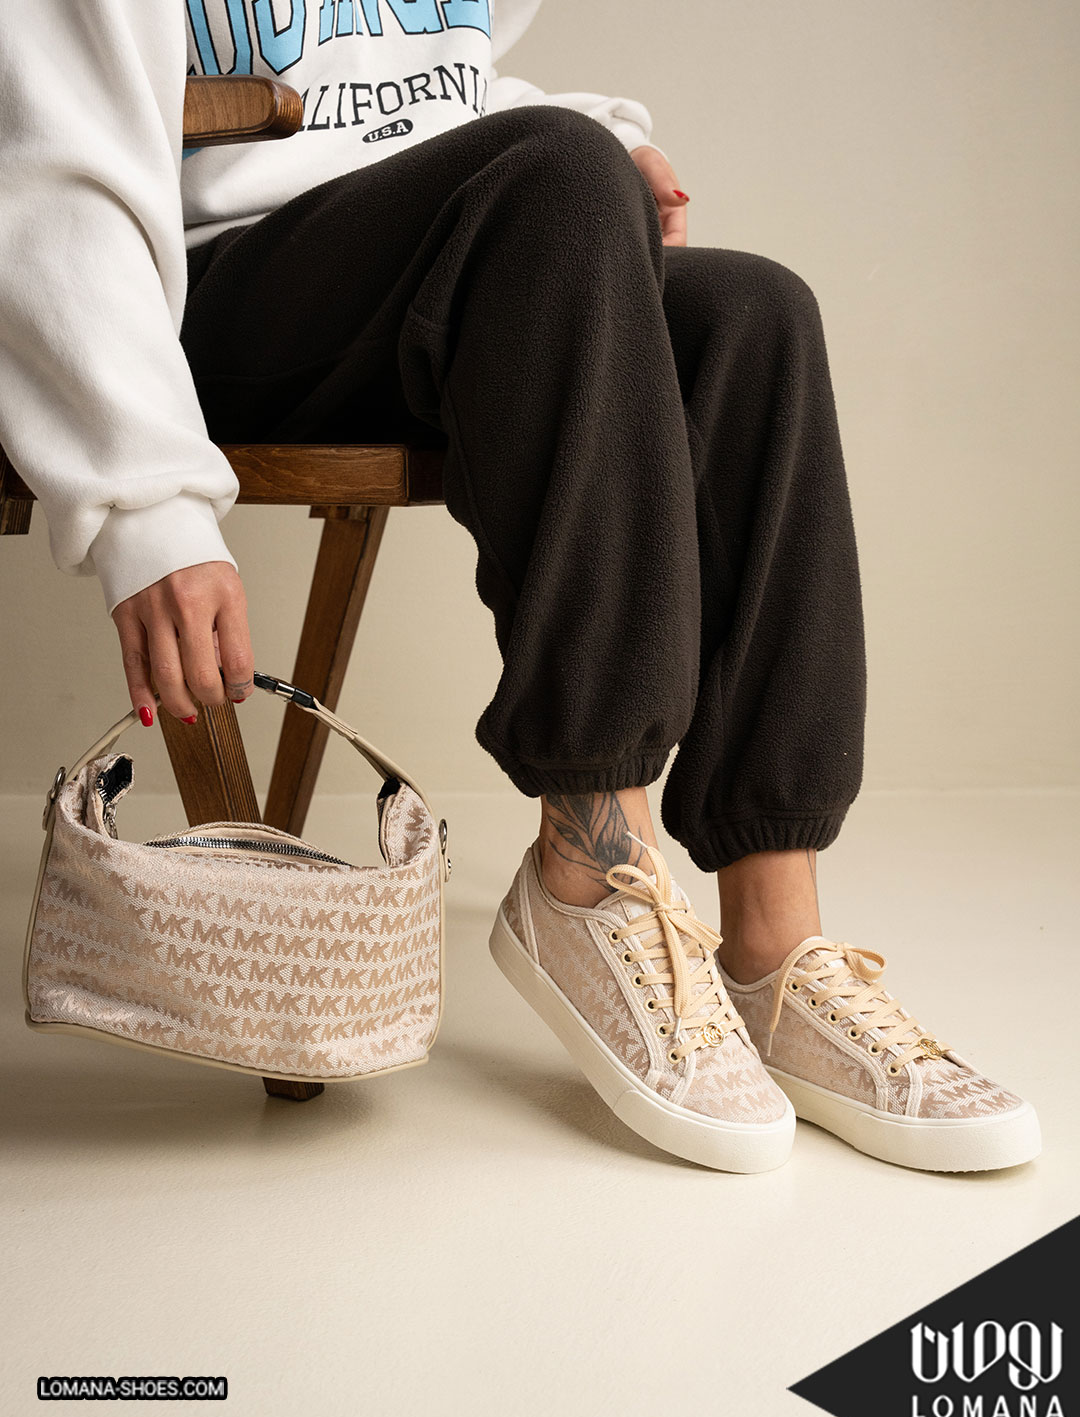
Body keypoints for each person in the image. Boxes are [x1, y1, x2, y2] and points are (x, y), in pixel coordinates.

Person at [0, 0, 1039, 1174]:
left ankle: (773, 949)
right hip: (192, 294)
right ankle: (589, 867)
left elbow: (404, 88)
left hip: (410, 264)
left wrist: (591, 154)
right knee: (558, 173)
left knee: (753, 315)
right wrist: (145, 506)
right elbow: (48, 164)